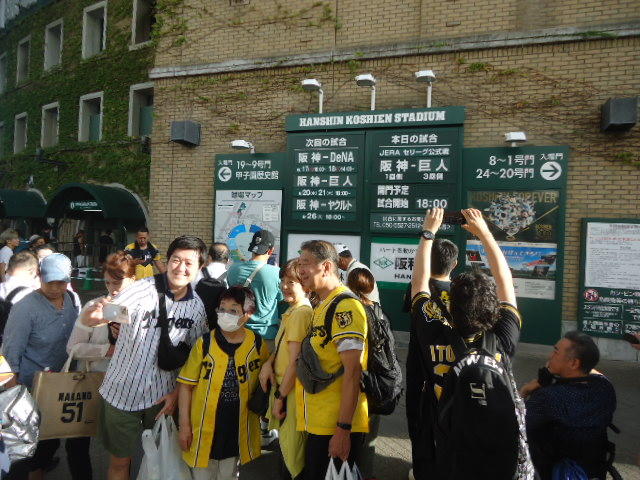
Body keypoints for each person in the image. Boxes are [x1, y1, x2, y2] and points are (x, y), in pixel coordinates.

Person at [409, 208, 528, 480]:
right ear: (492, 307)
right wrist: (484, 233)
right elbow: (505, 282)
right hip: (496, 453)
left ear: (451, 307)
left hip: (450, 447)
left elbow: (419, 284)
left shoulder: (434, 333)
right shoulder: (501, 338)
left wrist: (428, 232)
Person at [81, 235, 208, 480]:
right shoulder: (141, 290)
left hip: (163, 397)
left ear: (199, 267)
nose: (180, 268)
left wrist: (176, 393)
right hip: (121, 393)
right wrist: (93, 316)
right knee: (120, 462)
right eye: (176, 260)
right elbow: (98, 317)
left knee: (159, 461)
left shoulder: (196, 306)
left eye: (189, 263)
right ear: (167, 261)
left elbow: (195, 358)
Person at [2, 254, 90, 480]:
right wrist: (14, 398)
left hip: (62, 387)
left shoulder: (72, 299)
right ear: (39, 276)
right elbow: (10, 354)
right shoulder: (25, 308)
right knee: (33, 450)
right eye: (50, 282)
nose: (55, 288)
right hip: (31, 389)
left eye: (61, 282)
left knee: (52, 443)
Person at [177, 286, 269, 480]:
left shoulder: (257, 344)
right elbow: (186, 386)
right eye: (222, 308)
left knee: (229, 474)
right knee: (202, 475)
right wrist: (184, 425)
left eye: (233, 310)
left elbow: (266, 377)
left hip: (236, 428)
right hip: (203, 428)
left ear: (248, 314)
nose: (225, 314)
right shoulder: (204, 343)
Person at [296, 240, 369, 480]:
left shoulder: (345, 306)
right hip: (320, 423)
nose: (300, 270)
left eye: (305, 263)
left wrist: (343, 430)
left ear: (326, 267)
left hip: (335, 427)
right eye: (299, 264)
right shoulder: (323, 304)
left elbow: (353, 372)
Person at [520, 331, 616, 479]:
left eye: (556, 352)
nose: (550, 356)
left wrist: (525, 390)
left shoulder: (548, 398)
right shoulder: (605, 388)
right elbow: (593, 372)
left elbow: (516, 423)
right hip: (593, 469)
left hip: (554, 472)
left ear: (574, 363)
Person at [404, 238, 458, 480]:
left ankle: (422, 468)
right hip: (453, 368)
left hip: (421, 366)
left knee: (419, 421)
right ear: (454, 263)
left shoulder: (418, 289)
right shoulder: (462, 293)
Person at [259, 259, 312, 479]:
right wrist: (268, 363)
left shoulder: (300, 313)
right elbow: (284, 349)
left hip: (291, 393)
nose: (284, 286)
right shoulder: (293, 311)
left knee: (292, 456)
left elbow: (295, 362)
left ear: (306, 284)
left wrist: (280, 397)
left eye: (292, 282)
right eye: (283, 280)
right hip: (286, 389)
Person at [66, 251, 137, 372]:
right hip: (95, 377)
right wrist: (109, 350)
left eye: (117, 283)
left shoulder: (144, 309)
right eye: (107, 282)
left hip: (132, 378)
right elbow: (72, 348)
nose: (112, 289)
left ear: (132, 279)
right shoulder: (94, 307)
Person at [346, 268, 383, 480]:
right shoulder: (379, 311)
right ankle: (366, 474)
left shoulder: (352, 311)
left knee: (351, 434)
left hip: (358, 381)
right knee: (370, 436)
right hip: (376, 382)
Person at [226, 229, 283, 347]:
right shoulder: (277, 273)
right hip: (266, 336)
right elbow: (281, 299)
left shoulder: (233, 270)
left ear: (252, 247)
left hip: (239, 334)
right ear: (271, 250)